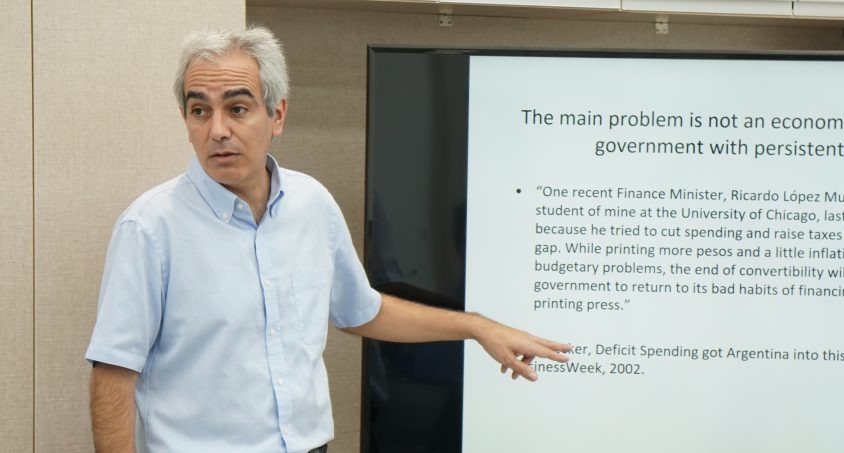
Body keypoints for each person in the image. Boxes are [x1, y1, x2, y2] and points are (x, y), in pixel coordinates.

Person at [85, 26, 570, 453]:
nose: (217, 130)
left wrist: (477, 327)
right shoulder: (150, 227)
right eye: (199, 111)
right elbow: (113, 375)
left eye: (237, 108)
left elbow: (363, 311)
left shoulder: (311, 204)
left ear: (277, 114)